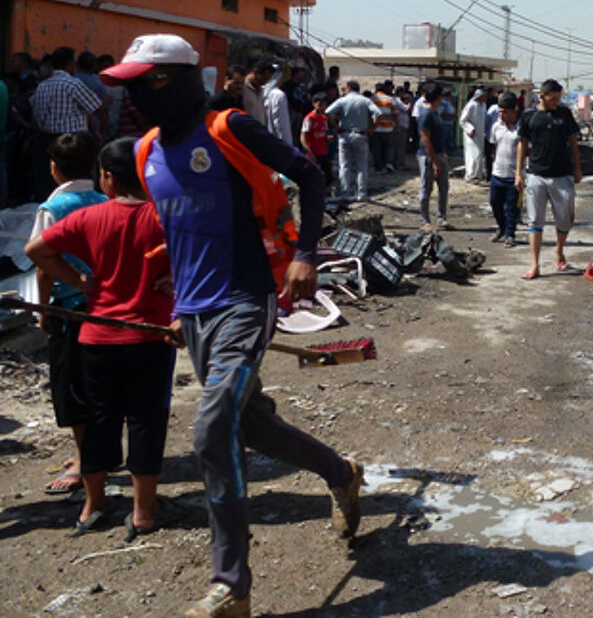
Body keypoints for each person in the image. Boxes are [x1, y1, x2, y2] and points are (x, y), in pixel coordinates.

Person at [100, 34, 362, 618]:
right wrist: (174, 304)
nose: (135, 97)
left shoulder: (230, 129)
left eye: (144, 83)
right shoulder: (144, 152)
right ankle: (341, 473)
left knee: (212, 428)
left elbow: (310, 176)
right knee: (251, 427)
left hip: (245, 300)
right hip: (194, 313)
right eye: (128, 87)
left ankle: (231, 585)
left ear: (176, 81)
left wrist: (305, 256)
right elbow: (181, 233)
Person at [25, 137, 175, 540]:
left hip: (97, 336)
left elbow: (36, 250)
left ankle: (94, 504)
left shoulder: (89, 218)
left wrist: (78, 280)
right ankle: (144, 512)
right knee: (146, 420)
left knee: (98, 419)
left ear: (107, 177)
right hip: (150, 335)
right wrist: (174, 278)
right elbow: (206, 253)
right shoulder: (165, 216)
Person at [29, 132, 107, 496]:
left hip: (70, 307)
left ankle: (85, 460)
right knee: (100, 382)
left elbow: (44, 265)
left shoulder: (52, 209)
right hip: (106, 306)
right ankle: (99, 453)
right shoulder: (105, 201)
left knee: (73, 388)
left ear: (54, 168)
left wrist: (44, 309)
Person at [515, 79, 582, 279]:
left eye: (558, 98)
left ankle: (559, 250)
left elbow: (573, 141)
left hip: (563, 175)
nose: (556, 102)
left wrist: (578, 168)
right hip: (536, 175)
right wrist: (518, 173)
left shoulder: (565, 114)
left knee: (565, 219)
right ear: (542, 96)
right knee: (535, 220)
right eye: (553, 99)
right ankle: (535, 265)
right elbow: (522, 144)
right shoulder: (529, 116)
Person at [31, 47, 103, 199]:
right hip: (73, 139)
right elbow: (95, 106)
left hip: (47, 138)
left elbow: (35, 113)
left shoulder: (42, 86)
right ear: (70, 63)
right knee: (79, 178)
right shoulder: (72, 84)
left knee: (51, 182)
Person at [325, 80, 380, 200]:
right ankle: (361, 193)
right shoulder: (365, 101)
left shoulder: (342, 100)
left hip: (344, 135)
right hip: (361, 135)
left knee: (345, 166)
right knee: (361, 166)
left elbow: (327, 112)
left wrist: (335, 126)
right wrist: (373, 128)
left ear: (349, 88)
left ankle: (345, 193)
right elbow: (377, 113)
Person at [488, 92, 522, 247]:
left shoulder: (520, 129)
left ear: (514, 111)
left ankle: (510, 234)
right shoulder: (497, 126)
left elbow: (527, 150)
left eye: (505, 112)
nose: (502, 115)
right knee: (495, 203)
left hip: (514, 175)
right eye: (500, 112)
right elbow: (495, 146)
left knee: (511, 207)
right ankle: (501, 228)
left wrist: (520, 173)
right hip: (497, 173)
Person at [416, 82, 451, 229]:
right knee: (427, 188)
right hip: (428, 156)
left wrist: (443, 153)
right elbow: (425, 139)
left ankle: (442, 218)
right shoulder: (426, 114)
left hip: (439, 154)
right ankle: (425, 220)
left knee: (444, 187)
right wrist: (434, 160)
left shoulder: (435, 113)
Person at [371, 82, 405, 173]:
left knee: (377, 148)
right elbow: (395, 114)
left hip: (376, 128)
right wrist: (397, 126)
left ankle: (378, 167)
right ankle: (388, 164)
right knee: (389, 146)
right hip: (388, 127)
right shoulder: (390, 99)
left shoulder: (372, 99)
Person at [300, 91, 333, 188]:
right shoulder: (309, 118)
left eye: (324, 105)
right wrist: (308, 150)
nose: (322, 108)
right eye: (320, 105)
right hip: (313, 152)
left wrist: (327, 138)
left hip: (323, 151)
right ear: (314, 104)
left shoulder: (324, 118)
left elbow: (323, 133)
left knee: (328, 174)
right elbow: (303, 136)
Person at [459, 88, 488, 183]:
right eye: (484, 96)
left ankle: (477, 175)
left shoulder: (483, 105)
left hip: (480, 134)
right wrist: (470, 129)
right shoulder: (471, 105)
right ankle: (470, 175)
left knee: (479, 155)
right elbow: (463, 120)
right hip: (471, 135)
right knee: (472, 155)